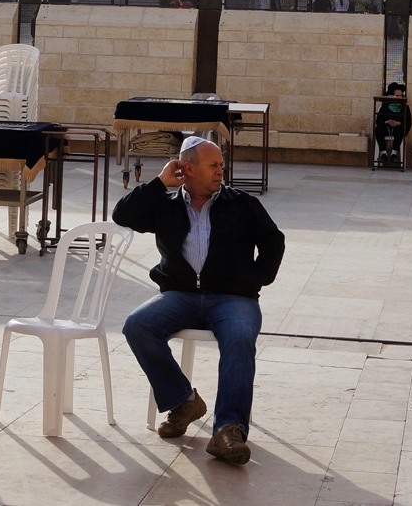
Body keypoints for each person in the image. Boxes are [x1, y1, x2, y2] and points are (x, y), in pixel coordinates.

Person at [115, 136, 285, 466]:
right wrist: (159, 181)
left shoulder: (241, 203)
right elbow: (123, 215)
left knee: (239, 337)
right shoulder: (165, 205)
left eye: (221, 165)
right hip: (180, 295)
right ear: (188, 169)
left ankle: (228, 430)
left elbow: (273, 241)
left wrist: (254, 279)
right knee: (137, 325)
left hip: (233, 298)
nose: (221, 171)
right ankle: (184, 401)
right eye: (213, 165)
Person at [373, 81, 411, 164]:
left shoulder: (405, 107)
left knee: (400, 130)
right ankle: (383, 154)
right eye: (397, 96)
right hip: (386, 128)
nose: (399, 97)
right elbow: (379, 120)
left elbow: (408, 122)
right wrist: (387, 122)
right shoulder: (385, 106)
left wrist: (399, 123)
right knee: (378, 130)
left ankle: (394, 154)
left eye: (401, 95)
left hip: (398, 130)